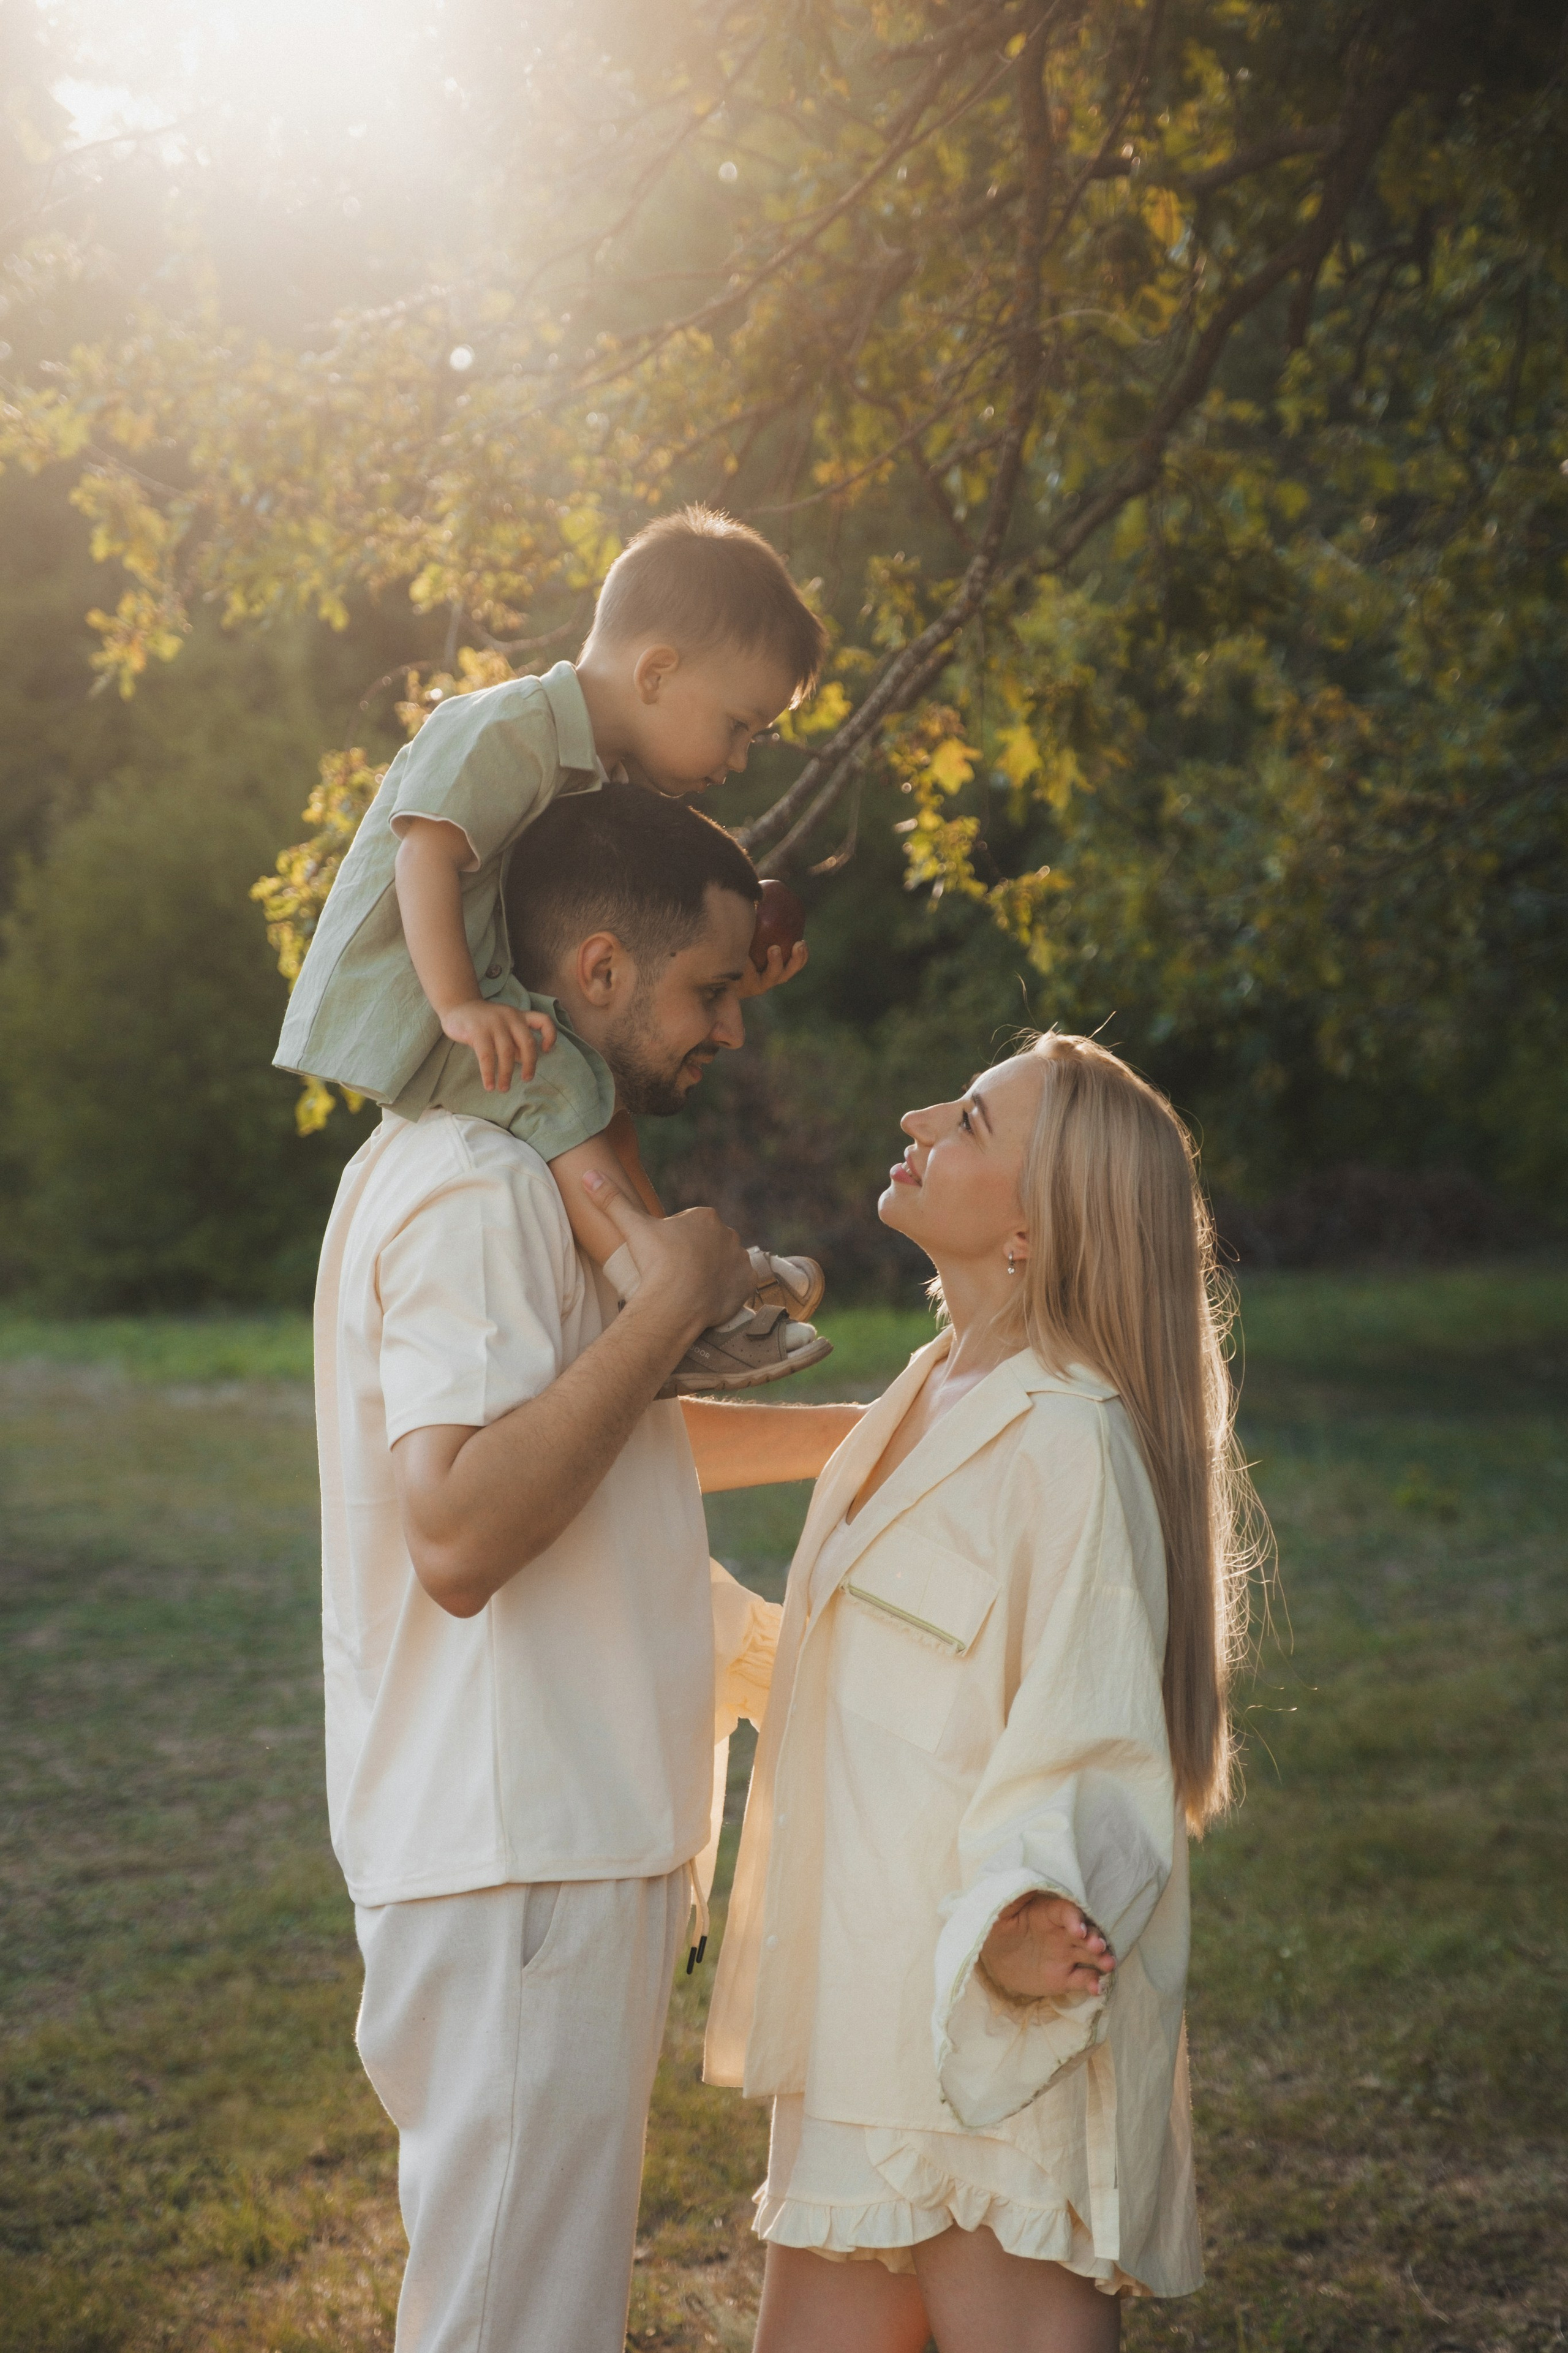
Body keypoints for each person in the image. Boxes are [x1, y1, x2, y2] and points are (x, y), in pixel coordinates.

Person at [315, 784, 861, 2353]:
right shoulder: (476, 1187)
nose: (730, 1029)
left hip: (553, 1842)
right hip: (518, 1855)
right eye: (708, 990)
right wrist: (669, 1302)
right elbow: (459, 1532)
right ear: (601, 969)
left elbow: (601, 1448)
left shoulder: (521, 1170)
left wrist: (889, 1431)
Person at [705, 1033, 1264, 2352]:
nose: (914, 1117)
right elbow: (881, 1680)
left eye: (964, 1119)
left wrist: (1020, 1925)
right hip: (860, 2027)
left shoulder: (1070, 1438)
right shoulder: (923, 1392)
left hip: (990, 2050)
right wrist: (686, 1626)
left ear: (1032, 1227)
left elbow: (1095, 1726)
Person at [281, 504, 831, 1393]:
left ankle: (670, 1289)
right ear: (656, 671)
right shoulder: (510, 727)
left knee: (602, 1093)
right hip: (416, 999)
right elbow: (424, 853)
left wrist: (727, 978)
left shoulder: (606, 774)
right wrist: (461, 1006)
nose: (738, 759)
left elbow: (638, 951)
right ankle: (669, 1301)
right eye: (738, 725)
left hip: (491, 993)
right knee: (565, 1088)